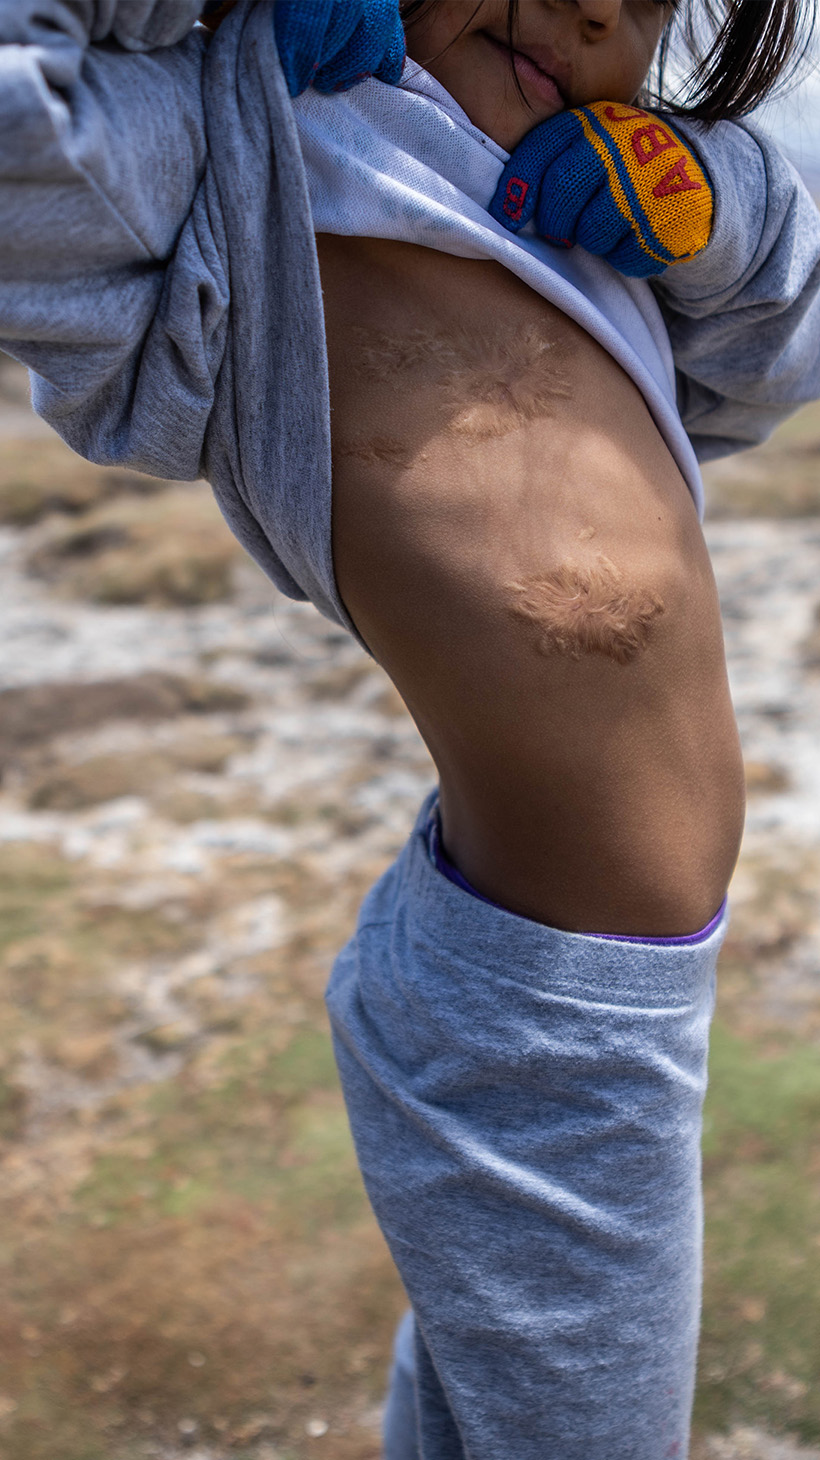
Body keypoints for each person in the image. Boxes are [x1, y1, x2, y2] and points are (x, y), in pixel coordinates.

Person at [1, 2, 819, 1455]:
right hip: (534, 1010)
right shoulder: (239, 159)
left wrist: (714, 217)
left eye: (641, 7)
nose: (587, 14)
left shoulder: (565, 198)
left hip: (612, 993)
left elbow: (770, 357)